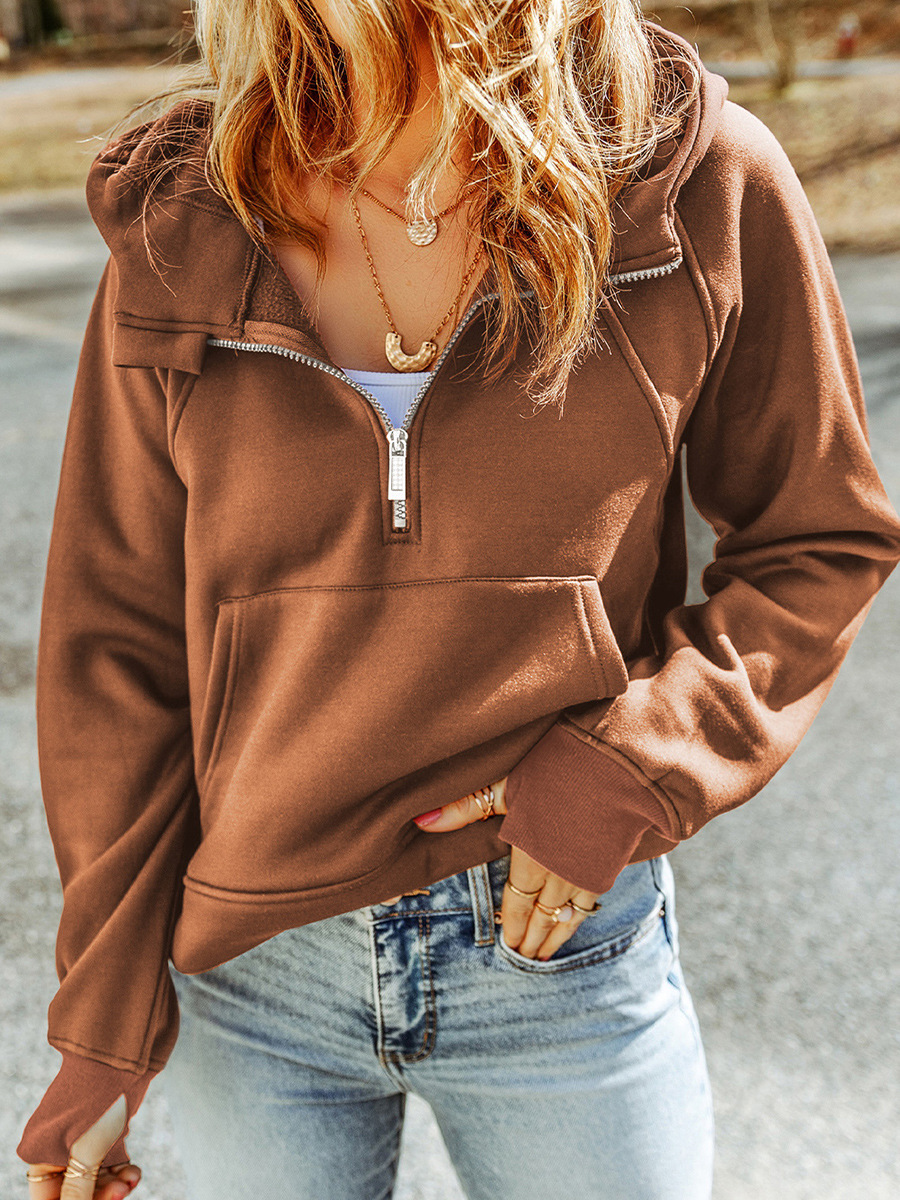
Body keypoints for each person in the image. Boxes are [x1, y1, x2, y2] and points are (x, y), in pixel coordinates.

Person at [16, 1, 900, 1197]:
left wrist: (630, 769)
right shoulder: (188, 212)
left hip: (561, 950)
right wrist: (103, 1021)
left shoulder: (687, 177)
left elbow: (820, 538)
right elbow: (112, 646)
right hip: (254, 975)